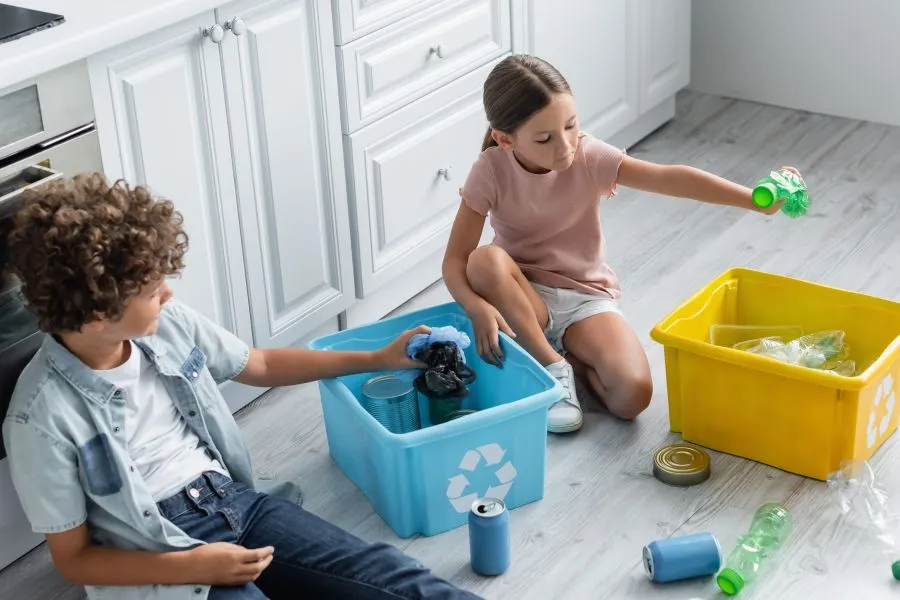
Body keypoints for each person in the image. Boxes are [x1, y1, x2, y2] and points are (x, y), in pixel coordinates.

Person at [2, 174, 482, 600]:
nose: (168, 293)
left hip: (230, 501)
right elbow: (75, 558)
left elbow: (262, 363)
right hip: (155, 550)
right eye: (151, 290)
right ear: (98, 313)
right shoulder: (38, 417)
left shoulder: (167, 325)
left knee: (392, 578)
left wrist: (376, 358)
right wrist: (191, 564)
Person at [442, 54, 797, 434]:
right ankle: (551, 366)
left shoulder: (588, 154)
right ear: (505, 138)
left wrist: (753, 200)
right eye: (545, 138)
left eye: (570, 125)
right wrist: (477, 307)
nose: (564, 146)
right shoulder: (491, 169)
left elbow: (668, 178)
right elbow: (455, 260)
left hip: (584, 297)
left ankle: (568, 361)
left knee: (632, 396)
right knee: (484, 261)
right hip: (522, 296)